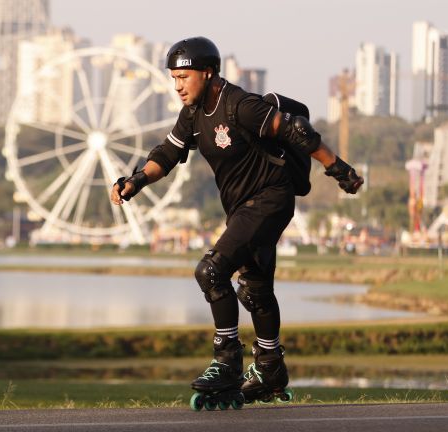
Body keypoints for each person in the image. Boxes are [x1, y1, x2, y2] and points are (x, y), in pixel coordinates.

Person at [110, 36, 363, 405]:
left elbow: (296, 129)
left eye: (184, 77)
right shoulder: (193, 114)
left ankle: (227, 360)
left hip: (271, 200)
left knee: (211, 271)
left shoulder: (240, 105)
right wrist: (134, 180)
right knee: (255, 287)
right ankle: (270, 368)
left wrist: (337, 168)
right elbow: (167, 153)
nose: (177, 85)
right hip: (242, 208)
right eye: (173, 78)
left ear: (208, 73)